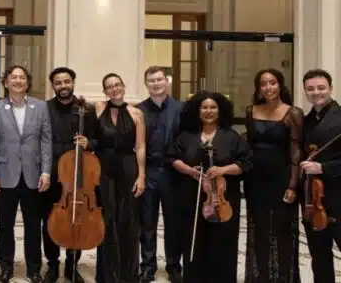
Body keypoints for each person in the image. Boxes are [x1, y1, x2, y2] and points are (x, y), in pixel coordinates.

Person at [168, 91, 251, 283]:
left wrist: (223, 169)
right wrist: (189, 170)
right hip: (192, 196)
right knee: (194, 240)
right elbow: (172, 158)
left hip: (223, 198)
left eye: (213, 107)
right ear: (197, 111)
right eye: (204, 107)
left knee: (223, 241)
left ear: (220, 111)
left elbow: (245, 163)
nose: (208, 111)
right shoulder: (186, 136)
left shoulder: (232, 137)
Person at [0, 64, 52, 283]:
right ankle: (6, 268)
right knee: (5, 226)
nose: (18, 81)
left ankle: (33, 270)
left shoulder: (40, 107)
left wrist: (46, 171)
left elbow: (46, 141)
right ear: (6, 83)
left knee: (33, 227)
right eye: (13, 77)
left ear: (27, 82)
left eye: (22, 77)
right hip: (5, 175)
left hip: (34, 176)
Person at [243, 69, 302, 283]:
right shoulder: (251, 110)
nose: (268, 87)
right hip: (254, 179)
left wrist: (293, 186)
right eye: (263, 84)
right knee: (258, 229)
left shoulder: (293, 113)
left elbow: (296, 152)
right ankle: (260, 278)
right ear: (258, 89)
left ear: (280, 85)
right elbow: (248, 145)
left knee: (282, 230)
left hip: (281, 178)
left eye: (273, 82)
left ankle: (284, 278)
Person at [42, 67, 96, 283]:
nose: (63, 86)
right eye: (58, 82)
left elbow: (98, 140)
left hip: (78, 175)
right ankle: (53, 265)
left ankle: (72, 265)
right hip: (51, 172)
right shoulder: (44, 108)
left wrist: (88, 143)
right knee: (50, 220)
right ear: (53, 86)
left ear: (73, 82)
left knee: (77, 219)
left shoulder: (86, 109)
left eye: (66, 81)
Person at [92, 73, 145, 283]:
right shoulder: (98, 108)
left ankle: (127, 275)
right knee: (106, 219)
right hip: (103, 168)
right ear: (105, 91)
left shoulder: (137, 113)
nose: (114, 89)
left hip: (127, 167)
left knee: (128, 220)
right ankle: (107, 275)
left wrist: (141, 176)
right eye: (109, 86)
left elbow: (140, 147)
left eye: (117, 85)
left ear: (123, 86)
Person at [136, 67, 183, 283]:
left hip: (174, 173)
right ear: (146, 84)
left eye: (159, 79)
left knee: (174, 223)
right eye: (151, 80)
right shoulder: (138, 110)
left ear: (166, 81)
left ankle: (174, 265)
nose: (156, 83)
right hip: (148, 171)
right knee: (146, 223)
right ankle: (148, 266)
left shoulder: (181, 108)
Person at [299, 69, 341, 283]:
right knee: (319, 257)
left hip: (338, 195)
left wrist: (322, 167)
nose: (316, 92)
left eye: (321, 87)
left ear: (331, 88)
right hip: (312, 199)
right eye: (310, 89)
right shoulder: (305, 121)